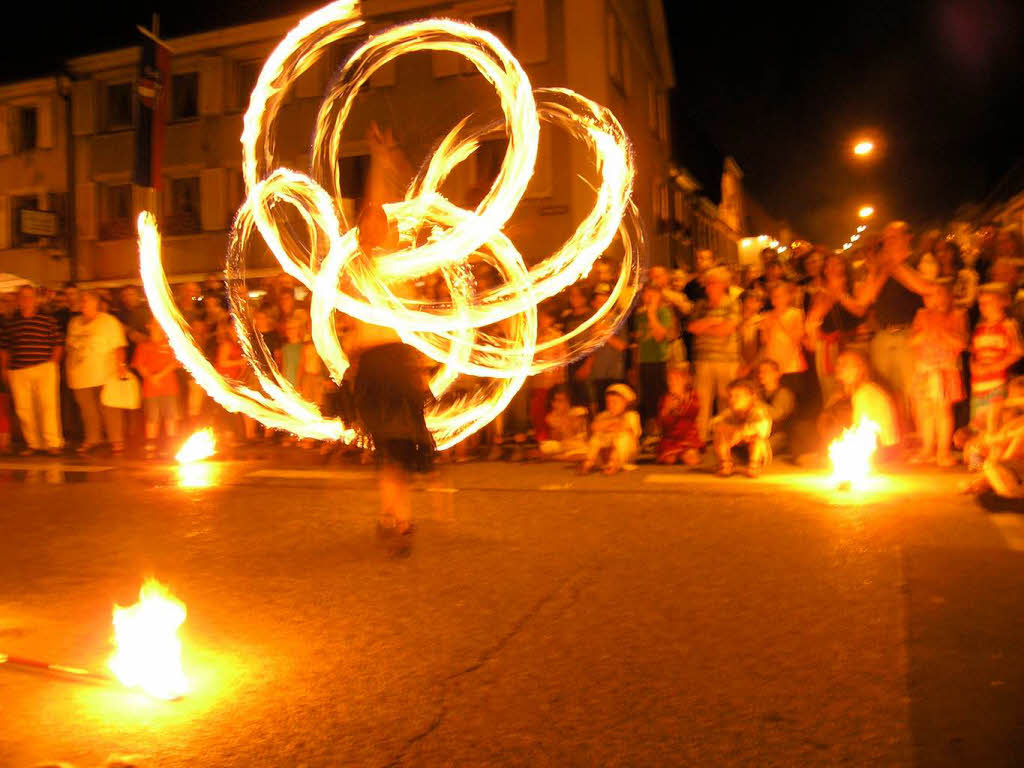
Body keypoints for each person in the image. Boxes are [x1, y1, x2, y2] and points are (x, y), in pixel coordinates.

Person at [345, 203, 434, 542]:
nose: (376, 230)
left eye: (380, 224)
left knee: (402, 446)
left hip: (396, 362)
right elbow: (357, 301)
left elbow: (409, 318)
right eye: (370, 224)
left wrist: (418, 366)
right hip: (374, 365)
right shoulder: (360, 267)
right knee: (389, 445)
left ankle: (395, 515)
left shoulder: (395, 269)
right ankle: (394, 515)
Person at [909, 279, 967, 466]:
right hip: (923, 369)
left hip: (944, 369)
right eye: (930, 295)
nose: (935, 300)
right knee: (924, 411)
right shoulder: (921, 315)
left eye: (940, 294)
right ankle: (927, 449)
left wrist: (942, 332)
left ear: (950, 296)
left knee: (943, 411)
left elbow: (961, 343)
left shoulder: (958, 314)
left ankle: (943, 452)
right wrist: (925, 332)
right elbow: (911, 341)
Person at [0, 285, 64, 456]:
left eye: (29, 297)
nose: (25, 300)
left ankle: (52, 442)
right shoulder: (11, 323)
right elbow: (5, 348)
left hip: (44, 367)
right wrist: (5, 368)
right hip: (18, 370)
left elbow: (58, 344)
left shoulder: (47, 320)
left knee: (48, 406)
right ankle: (34, 444)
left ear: (35, 300)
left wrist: (52, 364)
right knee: (24, 409)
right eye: (22, 297)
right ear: (18, 300)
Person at [65, 291, 129, 454]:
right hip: (79, 374)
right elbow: (70, 344)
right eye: (82, 301)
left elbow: (118, 345)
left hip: (103, 372)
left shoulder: (108, 321)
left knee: (109, 406)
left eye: (86, 300)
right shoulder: (74, 322)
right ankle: (92, 438)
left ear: (95, 303)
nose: (83, 303)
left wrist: (121, 365)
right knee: (87, 409)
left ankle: (116, 439)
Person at [688, 266, 740, 442]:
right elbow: (692, 327)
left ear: (724, 284)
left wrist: (705, 327)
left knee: (727, 401)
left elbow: (727, 329)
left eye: (714, 283)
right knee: (702, 403)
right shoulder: (701, 305)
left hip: (727, 360)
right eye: (708, 283)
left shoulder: (732, 303)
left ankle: (726, 439)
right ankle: (700, 440)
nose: (709, 287)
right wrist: (712, 321)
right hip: (703, 360)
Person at [805, 253, 865, 404]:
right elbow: (813, 317)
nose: (832, 268)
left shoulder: (855, 287)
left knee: (859, 387)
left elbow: (860, 311)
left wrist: (840, 293)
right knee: (832, 391)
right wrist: (830, 293)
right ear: (824, 270)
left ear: (844, 266)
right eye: (828, 265)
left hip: (855, 343)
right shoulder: (820, 293)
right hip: (829, 347)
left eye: (836, 264)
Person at [969, 282, 1023, 425]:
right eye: (981, 303)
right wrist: (973, 365)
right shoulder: (980, 327)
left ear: (1002, 302)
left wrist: (995, 367)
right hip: (979, 384)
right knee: (978, 424)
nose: (983, 307)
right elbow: (975, 352)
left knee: (995, 423)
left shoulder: (1008, 325)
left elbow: (1017, 352)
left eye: (988, 302)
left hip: (998, 384)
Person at [832, 349, 900, 460]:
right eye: (838, 364)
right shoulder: (859, 392)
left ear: (859, 369)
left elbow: (861, 430)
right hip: (880, 448)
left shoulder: (865, 394)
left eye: (844, 364)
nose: (839, 368)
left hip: (879, 450)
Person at [132, 316, 181, 457]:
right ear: (149, 326)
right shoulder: (143, 345)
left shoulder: (170, 344)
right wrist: (150, 377)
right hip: (150, 389)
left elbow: (174, 363)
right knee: (152, 416)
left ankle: (171, 442)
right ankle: (151, 442)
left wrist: (158, 376)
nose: (158, 326)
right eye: (155, 324)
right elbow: (139, 365)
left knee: (170, 415)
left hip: (169, 387)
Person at [633, 281, 676, 430]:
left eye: (653, 295)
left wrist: (651, 313)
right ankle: (650, 429)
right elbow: (639, 339)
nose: (649, 297)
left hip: (659, 360)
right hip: (644, 361)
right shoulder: (639, 314)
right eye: (646, 294)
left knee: (660, 396)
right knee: (647, 397)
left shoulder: (663, 311)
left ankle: (663, 427)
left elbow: (659, 336)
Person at [711, 378, 772, 477]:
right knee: (720, 432)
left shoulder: (759, 411)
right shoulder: (730, 412)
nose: (732, 399)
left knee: (757, 438)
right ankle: (725, 464)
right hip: (735, 452)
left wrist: (742, 432)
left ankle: (754, 466)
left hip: (755, 454)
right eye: (730, 396)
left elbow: (763, 430)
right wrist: (729, 430)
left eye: (737, 396)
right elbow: (714, 423)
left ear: (751, 397)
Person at [581, 383, 641, 475]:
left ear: (626, 403)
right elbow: (594, 427)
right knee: (596, 437)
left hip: (625, 453)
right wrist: (611, 423)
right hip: (604, 452)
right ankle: (589, 462)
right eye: (608, 402)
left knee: (623, 437)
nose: (611, 405)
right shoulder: (604, 415)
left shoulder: (631, 416)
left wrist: (607, 427)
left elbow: (625, 427)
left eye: (615, 402)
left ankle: (613, 464)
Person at [655, 364, 702, 465]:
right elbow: (661, 423)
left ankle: (686, 453)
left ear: (684, 381)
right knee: (669, 460)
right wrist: (667, 410)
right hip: (670, 438)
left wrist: (680, 400)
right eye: (670, 380)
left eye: (677, 379)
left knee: (691, 460)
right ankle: (677, 454)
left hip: (687, 437)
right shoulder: (665, 398)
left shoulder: (691, 396)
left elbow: (694, 412)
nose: (673, 382)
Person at [757, 359, 797, 456]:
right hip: (761, 433)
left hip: (780, 434)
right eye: (760, 372)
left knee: (759, 452)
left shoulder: (784, 393)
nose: (761, 374)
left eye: (766, 371)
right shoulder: (758, 393)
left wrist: (754, 403)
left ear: (777, 374)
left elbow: (776, 415)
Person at [538, 386, 589, 461]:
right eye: (557, 401)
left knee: (584, 449)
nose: (562, 403)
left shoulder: (578, 411)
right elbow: (557, 438)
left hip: (577, 443)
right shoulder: (550, 417)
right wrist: (563, 419)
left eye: (563, 400)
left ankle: (555, 457)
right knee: (545, 447)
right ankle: (566, 456)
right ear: (553, 403)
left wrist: (569, 417)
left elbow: (578, 433)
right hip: (562, 445)